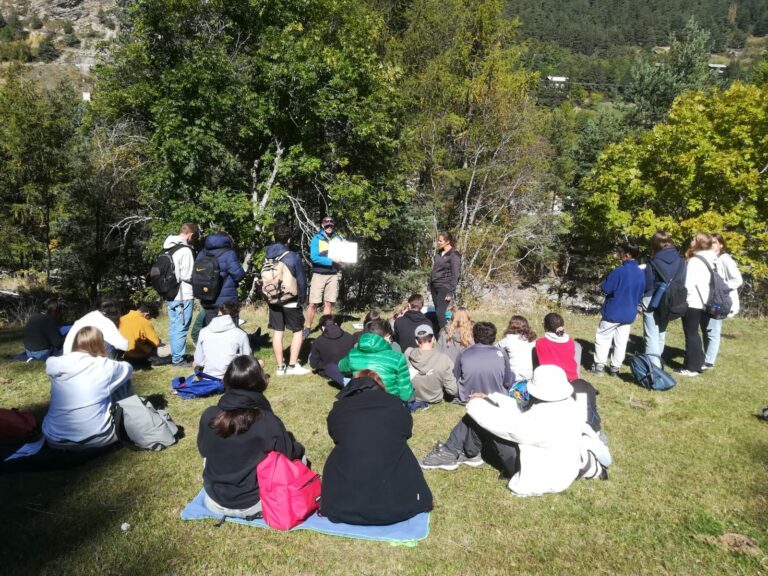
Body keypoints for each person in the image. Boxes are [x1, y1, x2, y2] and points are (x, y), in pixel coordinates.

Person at [197, 355, 306, 518]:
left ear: (227, 380)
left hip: (213, 500)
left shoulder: (210, 414)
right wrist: (299, 448)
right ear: (259, 381)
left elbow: (203, 450)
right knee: (301, 460)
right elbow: (289, 455)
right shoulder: (268, 421)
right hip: (254, 503)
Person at [320, 370, 433, 525]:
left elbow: (335, 436)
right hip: (399, 505)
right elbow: (406, 433)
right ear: (380, 385)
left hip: (342, 506)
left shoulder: (339, 408)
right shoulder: (395, 404)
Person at [464, 365, 587, 496]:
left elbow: (505, 427)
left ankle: (466, 453)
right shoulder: (571, 405)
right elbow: (520, 411)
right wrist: (490, 398)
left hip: (542, 477)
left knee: (490, 428)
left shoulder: (541, 418)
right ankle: (462, 450)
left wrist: (476, 403)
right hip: (565, 470)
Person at [42, 326, 133, 450]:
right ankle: (131, 418)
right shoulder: (104, 366)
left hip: (54, 438)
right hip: (96, 438)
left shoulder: (55, 364)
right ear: (99, 344)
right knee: (123, 380)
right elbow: (128, 368)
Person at [590, 243, 645, 376]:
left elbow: (606, 288)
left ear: (627, 255)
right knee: (621, 341)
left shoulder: (619, 271)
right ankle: (615, 368)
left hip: (614, 311)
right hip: (629, 313)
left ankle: (599, 366)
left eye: (621, 253)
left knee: (603, 338)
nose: (619, 256)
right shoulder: (641, 273)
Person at [264, 225, 310, 376]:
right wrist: (302, 299)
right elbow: (301, 280)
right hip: (290, 299)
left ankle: (280, 367)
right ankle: (292, 366)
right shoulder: (292, 257)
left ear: (275, 237)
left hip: (273, 299)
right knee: (298, 330)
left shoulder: (268, 256)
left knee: (278, 331)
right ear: (288, 239)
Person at [337, 319, 414, 402]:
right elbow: (405, 394)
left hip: (359, 398)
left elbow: (341, 368)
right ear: (387, 336)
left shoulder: (353, 354)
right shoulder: (398, 358)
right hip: (388, 401)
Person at [642, 231, 685, 368]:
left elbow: (648, 283)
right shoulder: (681, 261)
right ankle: (658, 361)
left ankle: (652, 367)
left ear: (654, 245)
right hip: (671, 299)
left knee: (651, 334)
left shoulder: (653, 262)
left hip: (653, 299)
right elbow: (682, 281)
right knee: (661, 331)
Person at [680, 233, 718, 376]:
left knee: (691, 333)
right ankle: (699, 362)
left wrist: (682, 298)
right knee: (695, 333)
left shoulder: (695, 261)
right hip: (706, 300)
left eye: (693, 239)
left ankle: (692, 367)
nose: (691, 241)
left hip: (693, 300)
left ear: (699, 242)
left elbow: (688, 284)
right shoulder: (713, 258)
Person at [703, 233, 743, 370]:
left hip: (720, 300)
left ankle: (709, 361)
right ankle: (706, 356)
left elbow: (737, 280)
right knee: (706, 328)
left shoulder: (725, 259)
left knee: (713, 329)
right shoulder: (709, 258)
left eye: (715, 242)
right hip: (709, 299)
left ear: (721, 245)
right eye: (710, 242)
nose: (712, 245)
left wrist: (722, 288)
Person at [163, 222, 198, 367]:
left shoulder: (168, 248)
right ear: (191, 234)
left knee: (174, 326)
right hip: (183, 294)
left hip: (170, 293)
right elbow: (188, 275)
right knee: (181, 327)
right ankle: (178, 359)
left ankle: (175, 355)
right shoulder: (185, 250)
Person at [453, 321, 513, 403]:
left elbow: (455, 377)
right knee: (512, 375)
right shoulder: (501, 352)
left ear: (474, 336)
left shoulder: (463, 353)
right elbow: (507, 382)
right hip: (495, 397)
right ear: (494, 337)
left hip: (467, 396)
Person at [304, 215, 343, 338]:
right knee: (313, 304)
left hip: (333, 275)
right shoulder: (316, 239)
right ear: (322, 225)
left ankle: (326, 328)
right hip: (319, 275)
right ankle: (307, 328)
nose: (329, 226)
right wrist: (331, 261)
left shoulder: (338, 238)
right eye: (327, 225)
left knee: (329, 303)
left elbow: (344, 252)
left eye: (331, 224)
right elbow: (314, 258)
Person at [197, 231, 246, 325]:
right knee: (230, 328)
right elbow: (238, 275)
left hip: (207, 298)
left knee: (211, 328)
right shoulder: (229, 253)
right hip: (227, 301)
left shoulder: (202, 253)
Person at [193, 302, 252, 379]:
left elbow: (198, 361)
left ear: (219, 312)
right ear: (236, 316)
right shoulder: (241, 334)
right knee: (259, 362)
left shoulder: (203, 332)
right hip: (232, 379)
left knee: (194, 364)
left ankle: (204, 381)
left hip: (208, 378)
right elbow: (247, 360)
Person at [405, 324, 458, 404]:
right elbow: (452, 390)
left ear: (416, 341)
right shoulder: (443, 359)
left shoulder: (407, 354)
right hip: (435, 398)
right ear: (433, 339)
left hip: (414, 397)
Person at [63, 300, 128, 360]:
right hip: (80, 359)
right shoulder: (104, 320)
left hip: (70, 357)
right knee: (111, 344)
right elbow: (123, 345)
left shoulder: (90, 316)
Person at [429, 231, 461, 332]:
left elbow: (456, 274)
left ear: (447, 241)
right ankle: (438, 333)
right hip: (434, 285)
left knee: (440, 313)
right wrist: (430, 284)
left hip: (445, 286)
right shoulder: (439, 254)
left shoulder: (454, 255)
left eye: (440, 241)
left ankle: (446, 334)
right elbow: (435, 270)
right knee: (437, 311)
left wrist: (451, 292)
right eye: (438, 240)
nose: (438, 242)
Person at [533, 313, 580, 382]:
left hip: (552, 381)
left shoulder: (540, 343)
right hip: (572, 380)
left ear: (545, 328)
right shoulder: (570, 342)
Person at [309, 315, 355, 381]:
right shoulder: (349, 336)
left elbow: (313, 364)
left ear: (323, 327)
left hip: (328, 372)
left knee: (311, 355)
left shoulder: (318, 341)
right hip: (348, 370)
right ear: (336, 324)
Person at [496, 315, 536, 382]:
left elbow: (494, 348)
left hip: (515, 378)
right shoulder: (532, 340)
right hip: (531, 376)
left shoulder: (508, 339)